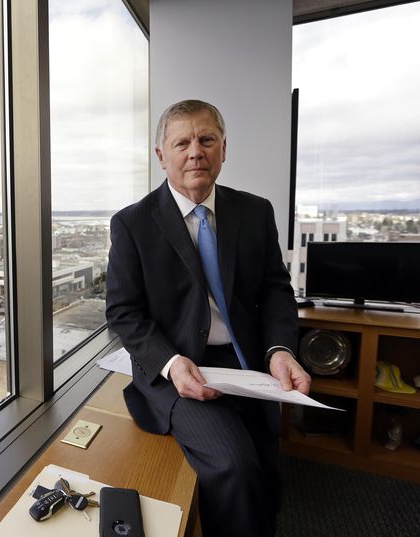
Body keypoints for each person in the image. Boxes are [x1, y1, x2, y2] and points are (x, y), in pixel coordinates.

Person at [105, 99, 311, 537]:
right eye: (182, 142)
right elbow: (124, 312)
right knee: (233, 465)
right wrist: (170, 362)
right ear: (161, 155)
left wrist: (279, 350)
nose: (195, 151)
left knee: (265, 464)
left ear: (223, 149)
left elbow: (275, 288)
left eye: (206, 140)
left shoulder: (255, 212)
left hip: (249, 364)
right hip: (182, 368)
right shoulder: (132, 224)